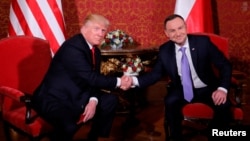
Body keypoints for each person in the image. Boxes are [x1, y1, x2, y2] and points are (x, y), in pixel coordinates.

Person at [130, 14, 232, 140]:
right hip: (181, 89)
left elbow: (225, 65)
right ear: (166, 33)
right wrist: (133, 81)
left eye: (180, 28)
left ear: (186, 27)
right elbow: (155, 75)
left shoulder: (203, 43)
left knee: (224, 105)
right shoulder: (164, 50)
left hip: (207, 87)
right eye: (172, 30)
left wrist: (222, 88)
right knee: (170, 101)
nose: (178, 33)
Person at [31, 13, 132, 141]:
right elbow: (91, 78)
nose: (101, 34)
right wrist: (119, 81)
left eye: (103, 30)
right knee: (69, 125)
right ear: (84, 29)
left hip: (78, 93)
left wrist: (93, 100)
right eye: (96, 29)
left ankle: (94, 137)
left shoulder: (96, 51)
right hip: (54, 98)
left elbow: (94, 79)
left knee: (109, 101)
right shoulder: (73, 47)